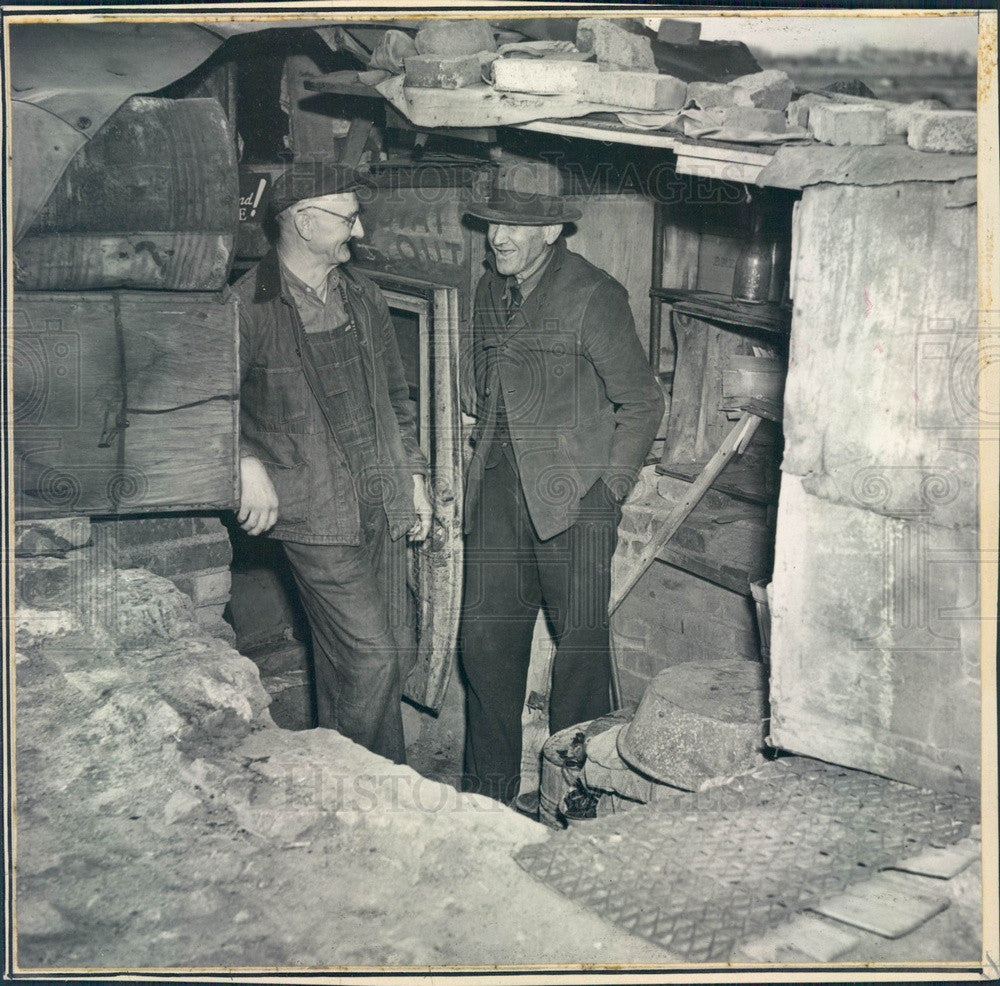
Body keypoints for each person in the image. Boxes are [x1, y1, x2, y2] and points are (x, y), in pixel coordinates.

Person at [460, 187, 664, 803]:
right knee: (486, 649)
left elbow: (643, 402)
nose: (499, 236)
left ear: (552, 230)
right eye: (493, 222)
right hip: (498, 494)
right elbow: (481, 375)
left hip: (576, 504)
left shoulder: (594, 295)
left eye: (516, 226)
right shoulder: (490, 288)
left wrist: (608, 494)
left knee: (578, 654)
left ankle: (573, 798)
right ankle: (486, 801)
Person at [232, 163, 432, 764]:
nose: (360, 230)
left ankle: (342, 774)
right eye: (348, 218)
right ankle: (377, 793)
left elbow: (397, 400)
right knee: (372, 654)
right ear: (303, 220)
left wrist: (413, 480)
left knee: (377, 650)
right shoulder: (247, 306)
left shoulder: (361, 294)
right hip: (314, 508)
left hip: (377, 497)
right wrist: (244, 461)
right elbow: (210, 402)